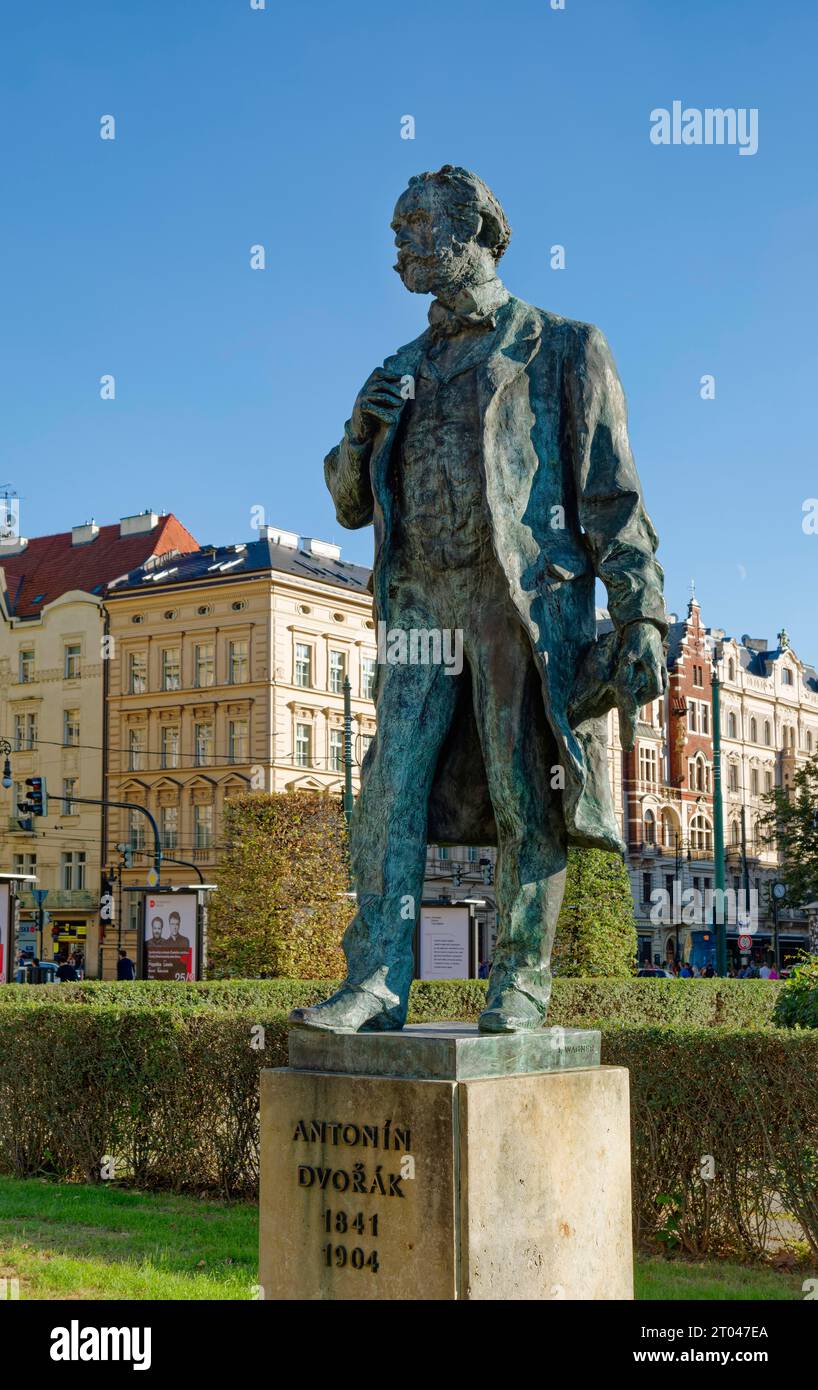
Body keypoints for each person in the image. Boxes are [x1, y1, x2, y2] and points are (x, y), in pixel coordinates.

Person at [290, 164, 667, 1036]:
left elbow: (611, 495)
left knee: (519, 785)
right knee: (392, 787)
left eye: (414, 227)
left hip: (516, 604)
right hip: (421, 604)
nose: (399, 249)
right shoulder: (400, 369)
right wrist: (358, 428)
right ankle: (377, 982)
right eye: (395, 232)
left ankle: (522, 980)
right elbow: (348, 501)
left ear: (475, 232)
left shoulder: (564, 345)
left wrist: (640, 609)